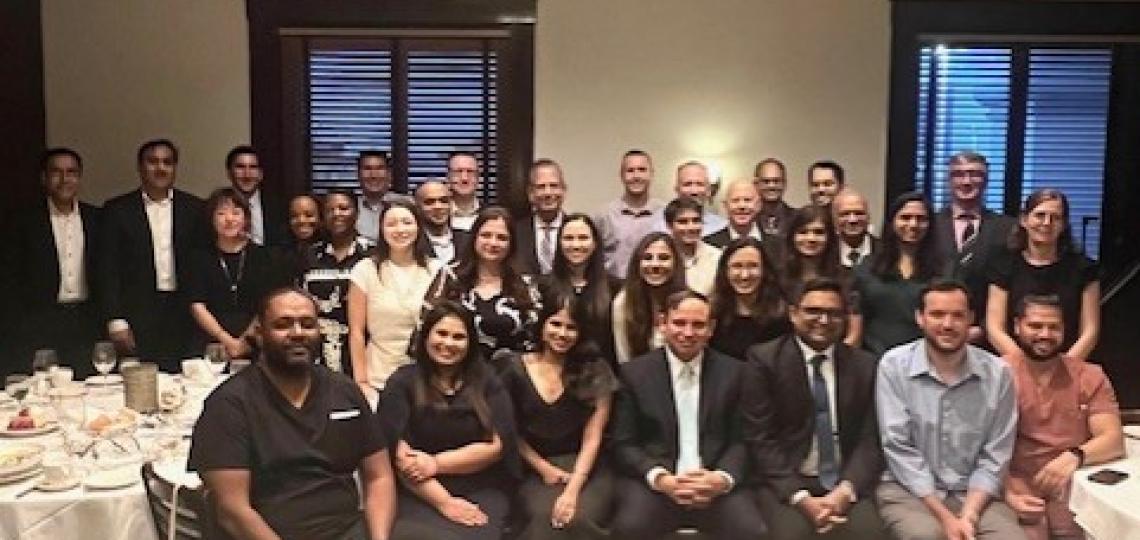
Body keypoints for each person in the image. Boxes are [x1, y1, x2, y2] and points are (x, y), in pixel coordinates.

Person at [189, 287, 396, 540]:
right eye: (283, 324)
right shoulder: (229, 404)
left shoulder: (345, 391)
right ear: (260, 333)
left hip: (348, 530)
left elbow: (379, 477)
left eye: (307, 324)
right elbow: (232, 511)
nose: (297, 333)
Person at [609, 290, 768, 540]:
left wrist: (721, 479)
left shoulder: (736, 373)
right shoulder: (634, 374)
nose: (688, 333)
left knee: (752, 531)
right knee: (628, 528)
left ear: (711, 328)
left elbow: (744, 439)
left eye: (698, 325)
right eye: (679, 323)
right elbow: (623, 443)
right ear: (662, 324)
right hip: (658, 484)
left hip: (715, 483)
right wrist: (660, 478)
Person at [875, 280, 1024, 540]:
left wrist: (969, 516)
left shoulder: (999, 374)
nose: (947, 324)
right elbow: (898, 448)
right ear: (920, 318)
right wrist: (946, 518)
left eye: (957, 315)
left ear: (971, 320)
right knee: (925, 537)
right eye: (937, 314)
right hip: (909, 492)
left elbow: (996, 455)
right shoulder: (893, 366)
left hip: (975, 493)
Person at [746, 278, 885, 540]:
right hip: (787, 483)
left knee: (870, 533)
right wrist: (802, 498)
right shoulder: (764, 361)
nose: (823, 320)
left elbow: (871, 440)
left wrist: (845, 491)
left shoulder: (865, 366)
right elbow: (760, 439)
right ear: (793, 313)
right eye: (813, 311)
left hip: (846, 482)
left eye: (833, 313)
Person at [381, 300, 519, 540]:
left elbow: (498, 447)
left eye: (458, 337)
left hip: (483, 487)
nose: (448, 343)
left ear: (470, 343)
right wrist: (443, 501)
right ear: (425, 337)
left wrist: (435, 463)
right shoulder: (401, 382)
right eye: (441, 334)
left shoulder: (488, 381)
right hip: (419, 491)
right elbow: (398, 454)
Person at [1003, 294, 1123, 540]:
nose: (1045, 334)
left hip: (1074, 483)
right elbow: (976, 448)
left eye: (1054, 327)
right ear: (1017, 327)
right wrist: (1005, 489)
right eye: (1035, 326)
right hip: (1014, 483)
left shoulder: (1089, 375)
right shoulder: (997, 374)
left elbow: (1113, 440)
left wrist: (1075, 456)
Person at [502, 288, 619, 540]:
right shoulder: (512, 368)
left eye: (571, 328)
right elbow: (508, 430)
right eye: (555, 324)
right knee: (544, 516)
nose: (562, 334)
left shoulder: (596, 370)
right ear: (542, 325)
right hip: (533, 466)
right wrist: (543, 468)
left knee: (578, 516)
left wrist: (573, 488)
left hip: (588, 466)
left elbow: (593, 435)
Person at [100, 139, 209, 371]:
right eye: (153, 162)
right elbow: (107, 268)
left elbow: (204, 263)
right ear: (140, 167)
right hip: (137, 311)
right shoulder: (116, 210)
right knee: (139, 382)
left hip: (185, 312)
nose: (161, 168)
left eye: (167, 162)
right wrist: (115, 319)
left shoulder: (196, 208)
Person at [3, 148, 102, 378]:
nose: (64, 179)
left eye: (71, 172)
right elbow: (9, 277)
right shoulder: (21, 220)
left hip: (85, 320)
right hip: (38, 321)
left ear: (79, 178)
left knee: (86, 388)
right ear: (44, 178)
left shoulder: (98, 218)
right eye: (56, 172)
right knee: (42, 392)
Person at [987, 189, 1100, 362]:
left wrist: (1061, 370)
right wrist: (1024, 368)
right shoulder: (1003, 264)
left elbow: (1090, 332)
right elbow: (994, 327)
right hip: (1012, 368)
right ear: (1024, 220)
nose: (1047, 223)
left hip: (1068, 368)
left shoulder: (1084, 269)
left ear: (1064, 225)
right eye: (1040, 215)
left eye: (1055, 217)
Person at [347, 200, 438, 393]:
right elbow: (356, 332)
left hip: (429, 379)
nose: (399, 229)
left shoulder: (437, 270)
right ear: (381, 229)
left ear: (418, 226)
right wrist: (361, 382)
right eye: (391, 223)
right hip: (378, 378)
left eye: (407, 222)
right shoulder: (366, 270)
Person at [188, 188, 286, 359]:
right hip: (210, 342)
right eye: (221, 213)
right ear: (211, 219)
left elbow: (268, 304)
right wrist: (226, 340)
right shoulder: (199, 258)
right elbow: (197, 305)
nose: (229, 219)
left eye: (236, 212)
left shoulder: (265, 257)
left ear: (246, 218)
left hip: (255, 340)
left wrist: (244, 341)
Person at [436, 207, 541, 363]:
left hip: (509, 378)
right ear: (474, 238)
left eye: (502, 238)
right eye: (486, 235)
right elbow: (428, 328)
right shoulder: (450, 277)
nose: (493, 243)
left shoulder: (525, 284)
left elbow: (535, 340)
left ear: (512, 243)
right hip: (456, 374)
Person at [931, 151, 1016, 341]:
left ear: (986, 180)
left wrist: (984, 329)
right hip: (936, 333)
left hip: (990, 338)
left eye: (974, 174)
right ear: (948, 181)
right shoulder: (929, 225)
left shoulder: (1008, 228)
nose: (966, 181)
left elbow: (1014, 285)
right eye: (958, 174)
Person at [853, 192, 944, 356]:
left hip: (927, 361)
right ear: (892, 222)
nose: (913, 224)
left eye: (921, 219)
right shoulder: (867, 267)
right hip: (875, 361)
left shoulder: (945, 268)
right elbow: (856, 325)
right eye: (905, 217)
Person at [302, 190, 375, 377]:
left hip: (362, 347)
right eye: (330, 210)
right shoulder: (309, 255)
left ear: (356, 213)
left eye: (344, 208)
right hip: (317, 350)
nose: (337, 214)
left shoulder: (373, 255)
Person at [542, 213, 620, 369]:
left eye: (583, 238)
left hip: (602, 377)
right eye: (569, 238)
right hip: (553, 374)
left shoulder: (615, 288)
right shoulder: (543, 286)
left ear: (595, 243)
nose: (576, 245)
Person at [781, 206, 859, 346]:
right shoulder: (778, 277)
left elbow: (853, 334)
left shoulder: (848, 277)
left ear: (829, 237)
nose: (811, 238)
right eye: (803, 232)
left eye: (819, 232)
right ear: (792, 236)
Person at [708, 237, 790, 360]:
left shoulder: (782, 316)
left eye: (753, 266)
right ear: (725, 270)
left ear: (764, 270)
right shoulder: (711, 313)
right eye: (737, 266)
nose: (745, 275)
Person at [611, 232, 687, 364]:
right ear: (637, 264)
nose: (655, 264)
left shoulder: (689, 302)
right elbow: (624, 360)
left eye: (663, 258)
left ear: (676, 263)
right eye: (647, 258)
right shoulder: (623, 303)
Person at [595, 149, 664, 279]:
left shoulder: (665, 213)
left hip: (655, 287)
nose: (636, 176)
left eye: (642, 170)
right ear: (622, 175)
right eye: (630, 170)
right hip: (613, 287)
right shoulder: (604, 215)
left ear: (652, 174)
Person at [513, 159, 568, 276]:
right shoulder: (514, 232)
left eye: (554, 186)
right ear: (530, 193)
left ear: (563, 191)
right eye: (541, 187)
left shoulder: (577, 231)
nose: (548, 193)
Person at [225, 145, 286, 246]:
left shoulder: (278, 207)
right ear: (229, 173)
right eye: (240, 167)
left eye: (253, 167)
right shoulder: (217, 208)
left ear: (260, 174)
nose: (247, 174)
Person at [664, 197, 722, 295]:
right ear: (669, 226)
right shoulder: (660, 257)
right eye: (683, 222)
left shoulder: (718, 258)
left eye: (696, 221)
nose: (691, 227)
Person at [656, 161, 728, 236]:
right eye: (687, 184)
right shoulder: (659, 226)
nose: (694, 191)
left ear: (709, 190)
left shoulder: (722, 227)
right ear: (677, 189)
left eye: (700, 184)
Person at [357, 150, 411, 243]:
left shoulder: (407, 205)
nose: (373, 175)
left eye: (380, 168)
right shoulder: (349, 209)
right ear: (358, 174)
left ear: (389, 174)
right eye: (367, 169)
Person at [416, 180, 470, 265]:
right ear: (418, 207)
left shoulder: (469, 240)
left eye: (444, 201)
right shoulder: (412, 244)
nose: (438, 207)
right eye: (429, 202)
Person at [704, 178, 763, 249]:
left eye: (747, 200)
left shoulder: (775, 243)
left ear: (759, 205)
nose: (742, 206)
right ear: (725, 206)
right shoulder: (708, 244)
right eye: (735, 200)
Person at [831, 189, 878, 269]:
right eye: (845, 214)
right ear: (834, 219)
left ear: (868, 217)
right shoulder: (825, 254)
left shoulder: (886, 253)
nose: (853, 220)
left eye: (859, 213)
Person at [281, 193, 322, 281]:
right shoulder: (279, 257)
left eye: (309, 215)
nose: (301, 220)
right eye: (294, 216)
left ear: (320, 218)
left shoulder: (331, 253)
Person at [754, 158, 796, 238]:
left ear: (784, 184)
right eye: (766, 181)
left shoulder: (798, 218)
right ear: (756, 184)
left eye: (776, 181)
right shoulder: (748, 220)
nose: (771, 186)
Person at [447, 151, 483, 231]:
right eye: (458, 171)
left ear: (478, 178)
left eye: (470, 171)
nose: (464, 178)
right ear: (448, 177)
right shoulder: (438, 214)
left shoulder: (491, 215)